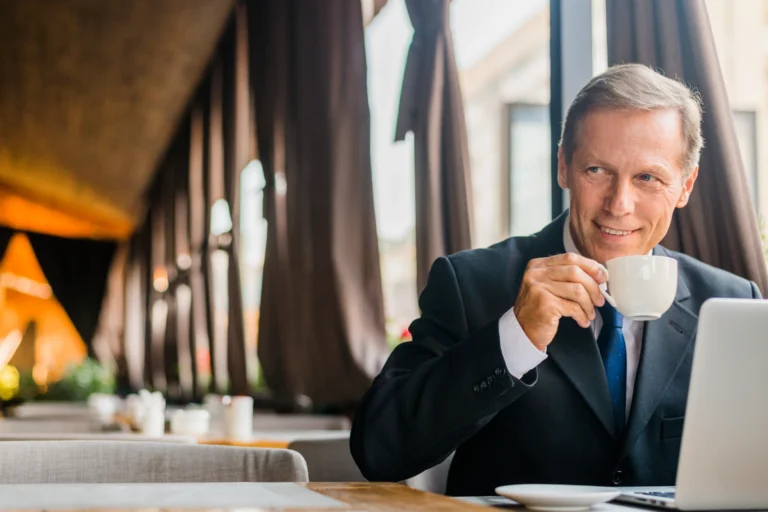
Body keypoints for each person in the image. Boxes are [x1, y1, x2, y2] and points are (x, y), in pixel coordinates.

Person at [350, 64, 762, 496]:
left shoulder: (729, 303)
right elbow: (379, 450)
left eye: (648, 178)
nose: (619, 204)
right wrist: (516, 338)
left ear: (685, 185)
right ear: (564, 165)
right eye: (597, 171)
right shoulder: (469, 283)